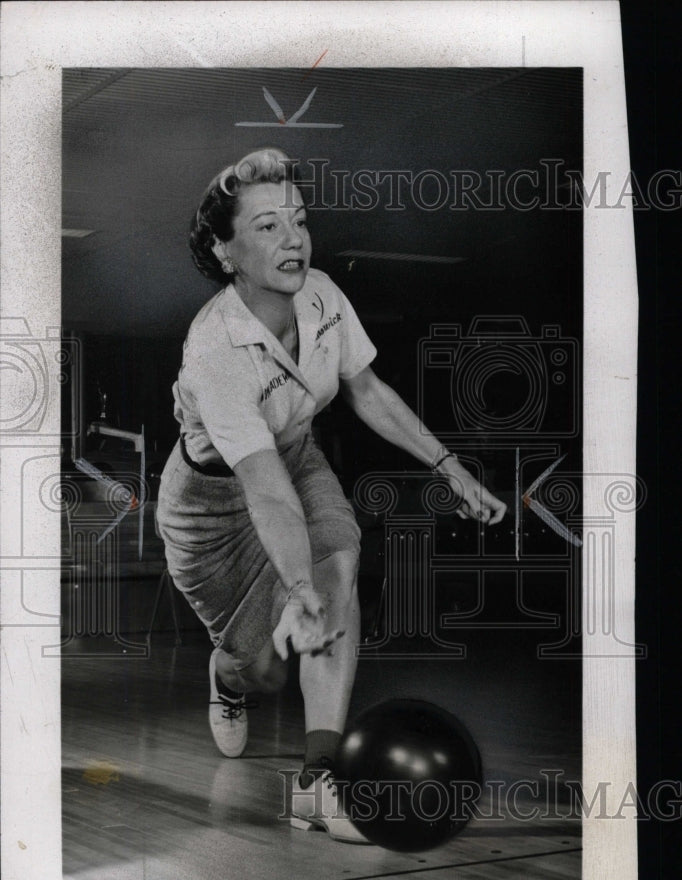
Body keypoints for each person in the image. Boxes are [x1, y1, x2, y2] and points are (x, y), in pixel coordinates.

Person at [156, 148, 506, 844]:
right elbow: (261, 486)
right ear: (226, 252)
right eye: (266, 227)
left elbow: (366, 389)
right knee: (261, 668)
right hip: (212, 505)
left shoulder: (321, 295)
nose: (293, 239)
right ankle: (225, 682)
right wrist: (295, 586)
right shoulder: (215, 351)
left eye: (299, 221)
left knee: (339, 565)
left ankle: (317, 784)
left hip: (296, 457)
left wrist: (448, 465)